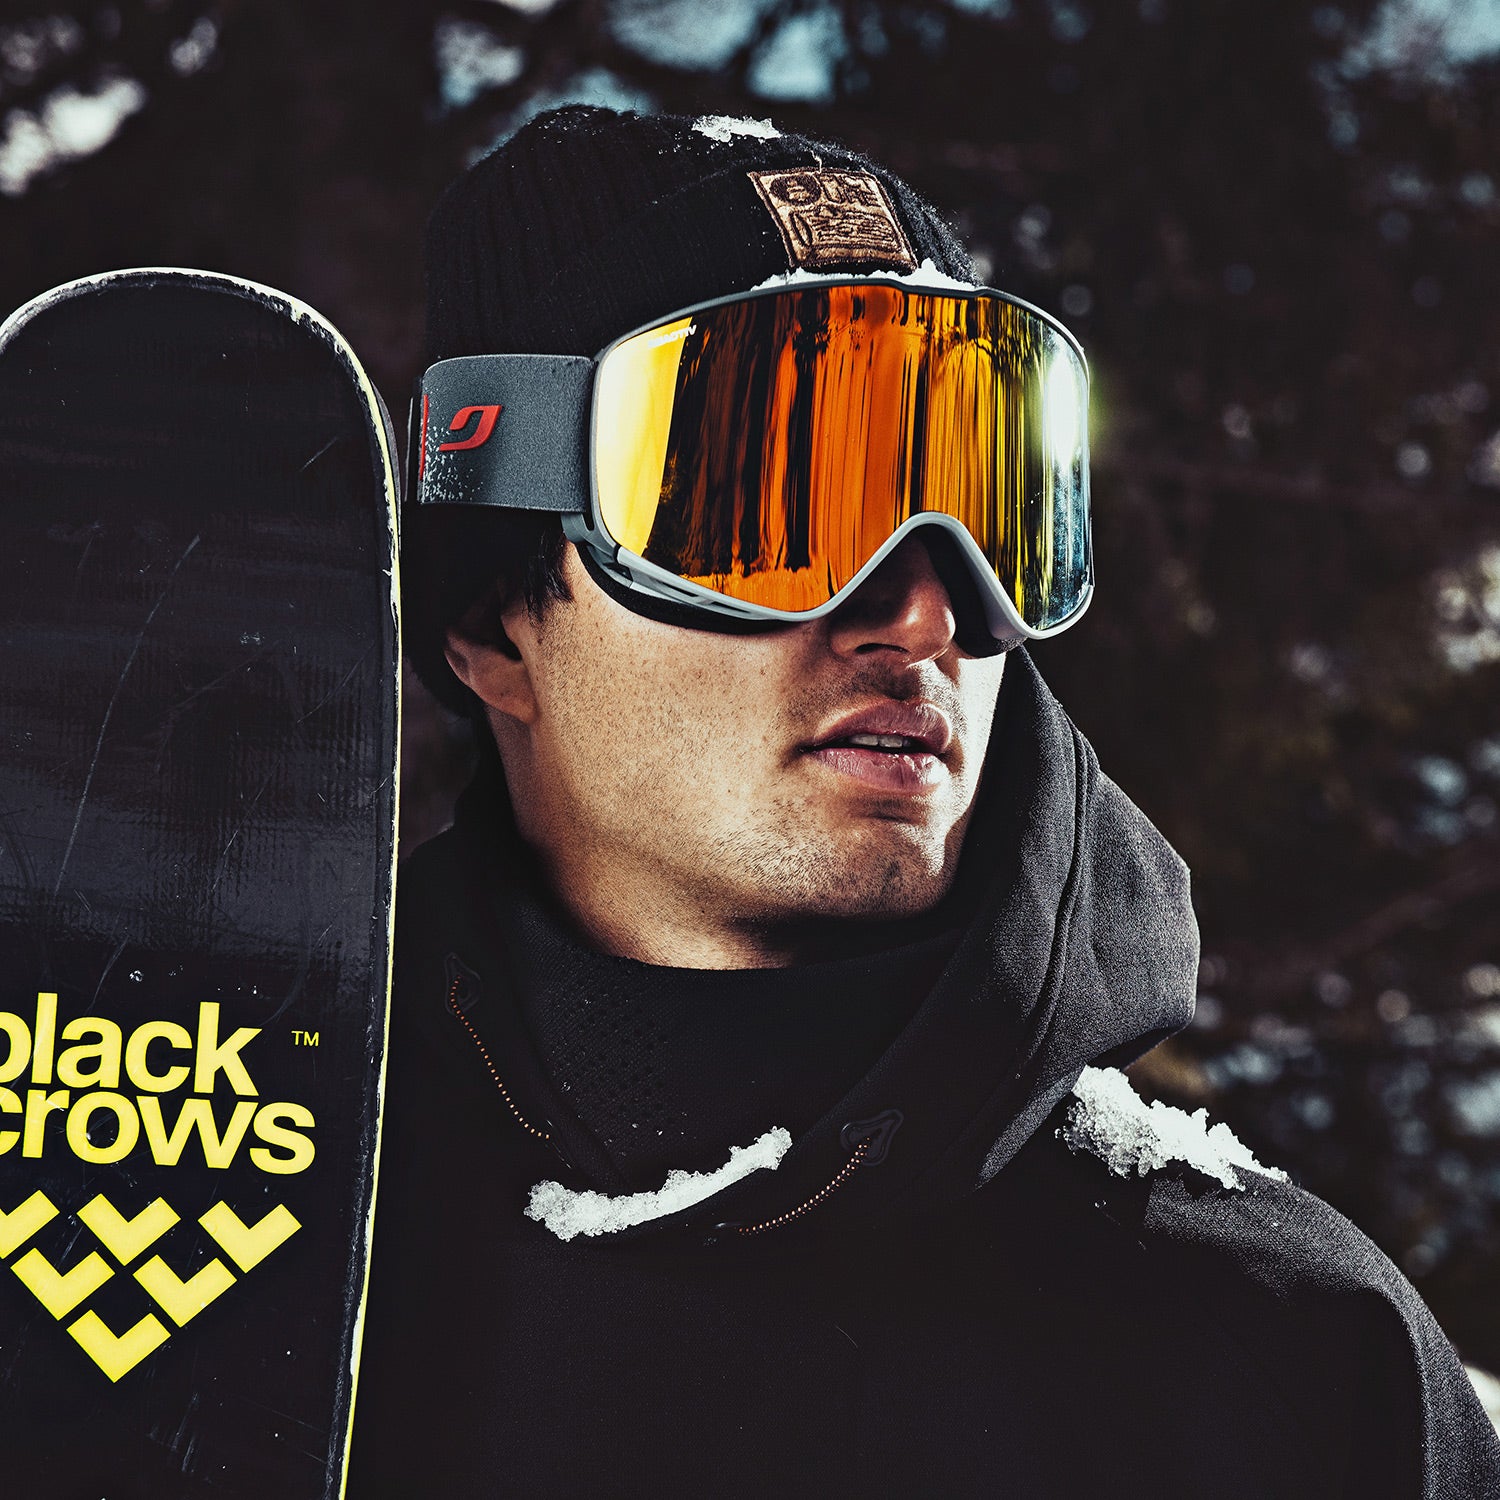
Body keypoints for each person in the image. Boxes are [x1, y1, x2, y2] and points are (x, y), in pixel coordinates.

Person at [346, 106, 1500, 1497]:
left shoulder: (1290, 1364)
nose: (922, 611)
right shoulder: (251, 1237)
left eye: (982, 504)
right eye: (770, 502)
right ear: (494, 630)